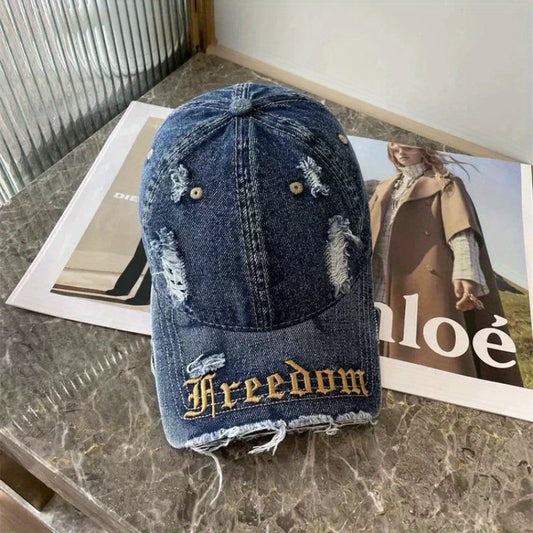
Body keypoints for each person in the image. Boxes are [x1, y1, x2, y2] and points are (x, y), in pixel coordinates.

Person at [369, 143, 523, 386]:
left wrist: (466, 271)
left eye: (408, 148)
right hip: (378, 275)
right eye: (396, 149)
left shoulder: (446, 184)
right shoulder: (384, 186)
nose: (400, 154)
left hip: (422, 280)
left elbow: (462, 231)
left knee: (428, 348)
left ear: (424, 149)